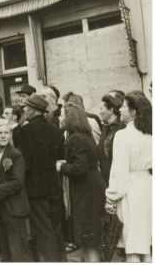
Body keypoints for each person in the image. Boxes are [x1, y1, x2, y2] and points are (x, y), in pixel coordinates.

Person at [17, 93, 66, 261]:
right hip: (54, 185)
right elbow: (60, 158)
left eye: (26, 108)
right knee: (55, 227)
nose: (24, 110)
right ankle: (62, 259)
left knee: (43, 229)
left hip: (35, 188)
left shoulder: (26, 131)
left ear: (31, 110)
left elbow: (26, 162)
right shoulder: (56, 130)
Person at [105, 91, 152, 262]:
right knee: (147, 245)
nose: (120, 110)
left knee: (132, 246)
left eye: (123, 106)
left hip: (131, 192)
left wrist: (110, 198)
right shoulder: (150, 135)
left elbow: (119, 171)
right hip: (148, 188)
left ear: (133, 112)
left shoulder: (123, 135)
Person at [57, 103, 106, 262]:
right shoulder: (85, 135)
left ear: (69, 118)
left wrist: (62, 166)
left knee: (89, 239)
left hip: (87, 191)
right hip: (92, 188)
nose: (59, 118)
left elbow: (80, 168)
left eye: (62, 115)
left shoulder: (75, 138)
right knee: (89, 238)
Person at [0, 120, 32, 262]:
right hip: (1, 206)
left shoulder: (15, 155)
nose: (3, 136)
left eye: (6, 133)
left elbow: (17, 183)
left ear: (10, 135)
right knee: (6, 249)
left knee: (19, 251)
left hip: (14, 207)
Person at [97, 94, 126, 185]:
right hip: (106, 180)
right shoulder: (105, 129)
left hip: (118, 180)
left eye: (101, 109)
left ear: (110, 110)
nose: (99, 112)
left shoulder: (121, 129)